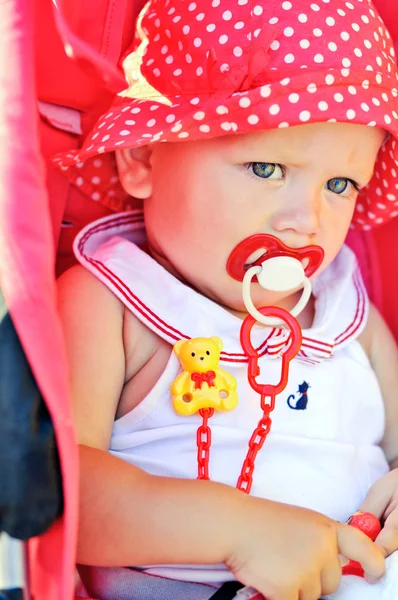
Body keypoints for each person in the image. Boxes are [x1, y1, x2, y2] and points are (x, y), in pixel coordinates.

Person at [55, 1, 398, 599]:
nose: (305, 220)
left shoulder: (349, 314)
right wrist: (239, 531)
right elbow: (63, 489)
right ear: (142, 157)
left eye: (339, 185)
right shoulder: (110, 303)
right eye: (266, 167)